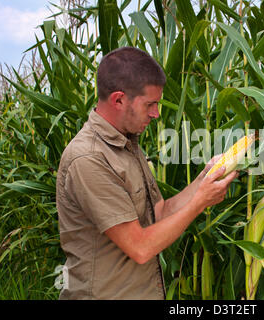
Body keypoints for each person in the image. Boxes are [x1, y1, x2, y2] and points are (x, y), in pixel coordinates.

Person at [56, 47, 237, 299]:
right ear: (118, 100)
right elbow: (140, 247)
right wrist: (200, 202)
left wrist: (203, 179)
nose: (156, 113)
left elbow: (159, 212)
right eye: (150, 104)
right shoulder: (89, 159)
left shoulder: (127, 144)